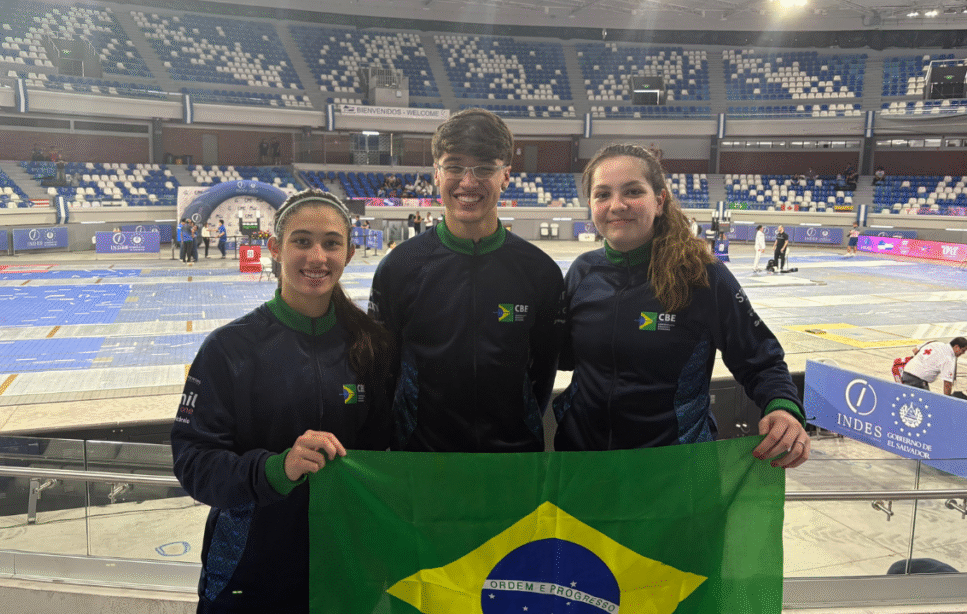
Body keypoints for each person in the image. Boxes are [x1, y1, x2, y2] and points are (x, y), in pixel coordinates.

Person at [172, 189, 393, 612]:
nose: (317, 257)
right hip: (249, 574)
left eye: (331, 243)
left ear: (348, 253)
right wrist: (276, 468)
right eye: (302, 241)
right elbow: (193, 462)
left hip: (344, 567)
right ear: (275, 248)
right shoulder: (228, 349)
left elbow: (385, 453)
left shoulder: (370, 346)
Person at [552, 143, 808, 469]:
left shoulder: (701, 275)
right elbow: (565, 356)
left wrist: (782, 407)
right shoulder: (582, 271)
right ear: (590, 205)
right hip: (583, 464)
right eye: (602, 195)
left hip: (675, 471)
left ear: (659, 201)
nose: (616, 205)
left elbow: (760, 359)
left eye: (632, 191)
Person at [369, 107, 564, 453]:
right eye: (455, 166)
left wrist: (517, 427)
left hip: (512, 458)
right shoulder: (399, 267)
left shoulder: (540, 271)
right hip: (423, 460)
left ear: (505, 175)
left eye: (484, 168)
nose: (468, 182)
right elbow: (384, 369)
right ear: (436, 173)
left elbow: (544, 370)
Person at [900, 337, 967, 396]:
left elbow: (915, 350)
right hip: (917, 380)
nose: (963, 353)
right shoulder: (949, 358)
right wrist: (948, 400)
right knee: (926, 405)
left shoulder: (935, 343)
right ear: (956, 347)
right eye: (963, 350)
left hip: (906, 373)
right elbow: (947, 384)